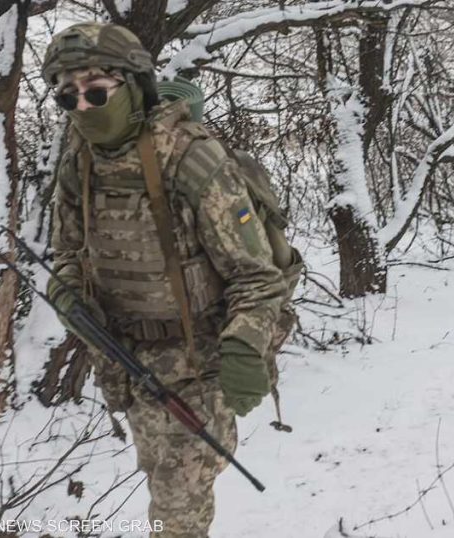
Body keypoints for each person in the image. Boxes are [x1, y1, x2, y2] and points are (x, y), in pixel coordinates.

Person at [43, 22, 285, 536]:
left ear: (134, 86)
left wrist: (246, 346)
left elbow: (257, 277)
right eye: (68, 97)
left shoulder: (191, 158)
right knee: (162, 482)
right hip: (129, 364)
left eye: (95, 92)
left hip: (196, 366)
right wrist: (65, 289)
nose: (82, 107)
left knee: (176, 515)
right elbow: (67, 251)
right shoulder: (79, 160)